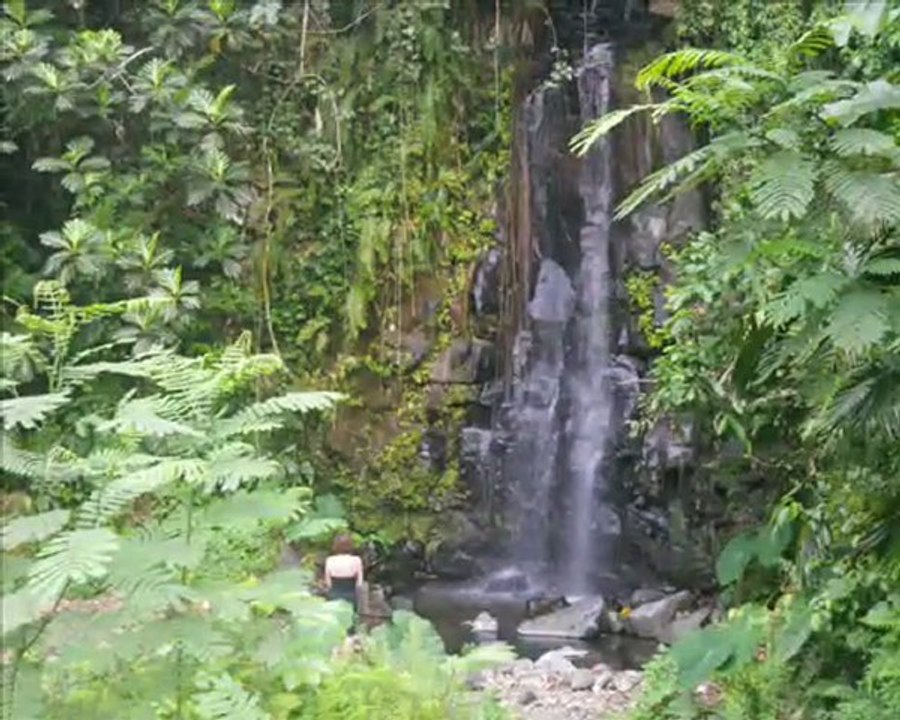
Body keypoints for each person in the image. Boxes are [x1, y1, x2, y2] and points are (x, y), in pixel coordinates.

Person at [323, 533, 364, 612]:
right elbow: (359, 583)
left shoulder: (330, 560)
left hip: (334, 594)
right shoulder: (356, 560)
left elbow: (328, 583)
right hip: (350, 595)